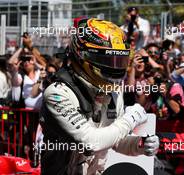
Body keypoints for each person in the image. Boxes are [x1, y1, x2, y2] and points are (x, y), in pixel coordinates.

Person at [40, 18, 159, 175]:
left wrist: (140, 144)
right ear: (83, 55)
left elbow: (114, 139)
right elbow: (91, 142)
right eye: (107, 59)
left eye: (119, 60)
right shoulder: (57, 94)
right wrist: (129, 120)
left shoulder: (114, 91)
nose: (114, 67)